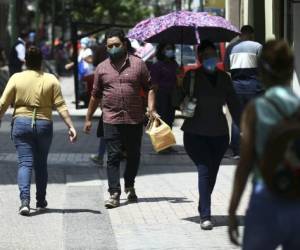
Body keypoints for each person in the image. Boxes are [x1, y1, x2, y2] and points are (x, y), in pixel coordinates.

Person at [228, 40, 300, 249]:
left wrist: (233, 210)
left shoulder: (256, 108)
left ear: (263, 73)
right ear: (289, 70)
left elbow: (245, 164)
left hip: (266, 197)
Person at [83, 28, 158, 209]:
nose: (113, 48)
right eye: (110, 46)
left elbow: (150, 87)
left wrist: (151, 108)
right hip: (111, 118)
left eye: (116, 45)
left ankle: (130, 184)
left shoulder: (138, 64)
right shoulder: (101, 68)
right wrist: (88, 118)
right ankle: (114, 193)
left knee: (133, 155)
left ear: (124, 44)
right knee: (113, 157)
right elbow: (95, 95)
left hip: (134, 118)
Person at [0, 46, 77, 216]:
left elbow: (3, 103)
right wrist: (71, 126)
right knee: (41, 164)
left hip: (20, 123)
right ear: (41, 62)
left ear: (25, 61)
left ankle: (25, 202)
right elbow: (61, 106)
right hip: (43, 125)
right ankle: (41, 200)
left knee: (25, 163)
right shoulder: (51, 79)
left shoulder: (16, 78)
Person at [182, 40, 241, 230]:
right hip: (195, 133)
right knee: (204, 170)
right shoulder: (191, 76)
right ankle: (205, 215)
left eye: (212, 55)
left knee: (212, 174)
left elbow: (234, 104)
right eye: (206, 55)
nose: (210, 59)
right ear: (199, 58)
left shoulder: (225, 78)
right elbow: (177, 101)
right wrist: (183, 94)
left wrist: (244, 126)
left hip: (219, 134)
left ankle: (203, 205)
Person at [224, 25, 262, 159]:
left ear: (240, 34)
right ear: (251, 34)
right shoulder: (257, 46)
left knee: (236, 119)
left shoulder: (230, 47)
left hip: (236, 87)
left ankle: (237, 151)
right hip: (254, 87)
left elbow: (227, 68)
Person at [150, 43, 178, 129]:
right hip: (161, 97)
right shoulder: (157, 65)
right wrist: (153, 105)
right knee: (161, 120)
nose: (170, 51)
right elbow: (154, 85)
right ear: (161, 51)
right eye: (168, 48)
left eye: (171, 48)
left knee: (170, 120)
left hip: (172, 97)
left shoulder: (175, 64)